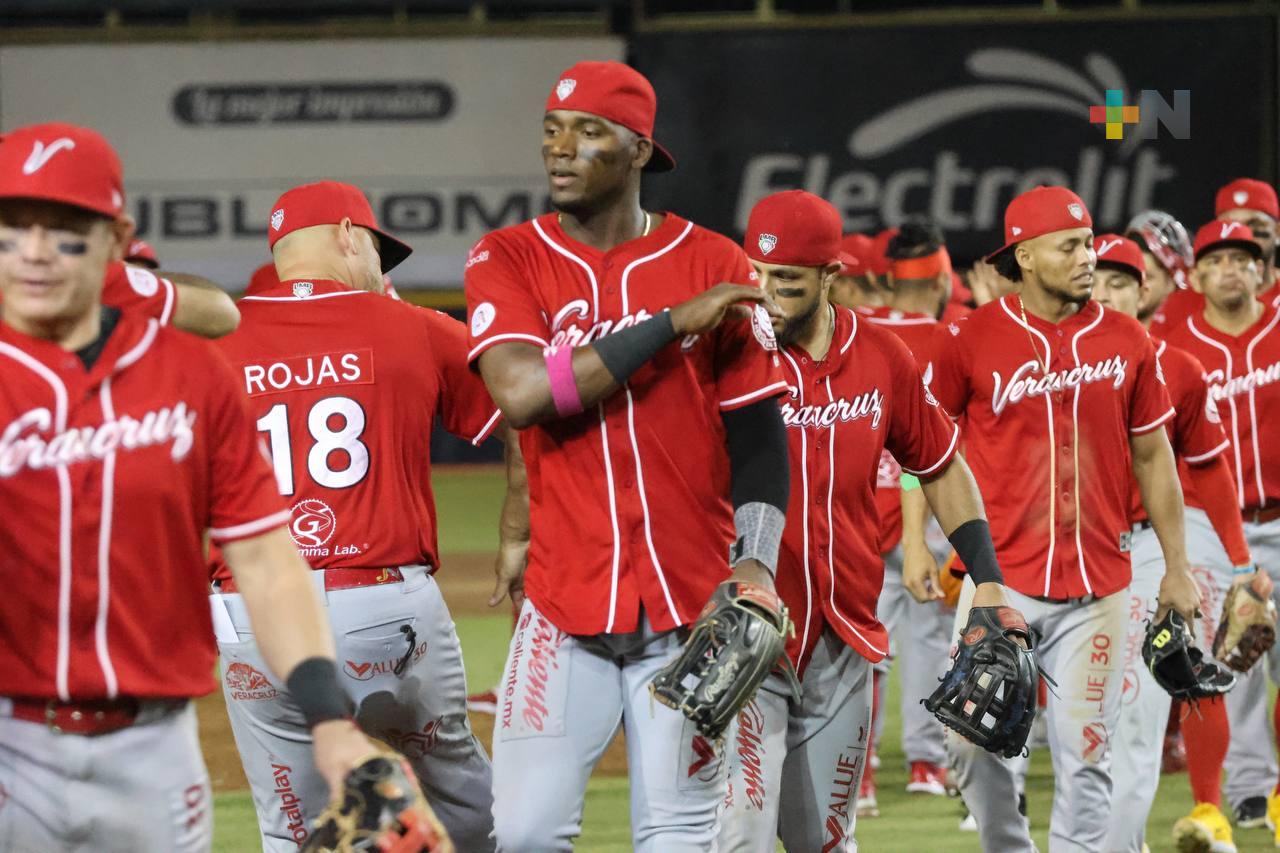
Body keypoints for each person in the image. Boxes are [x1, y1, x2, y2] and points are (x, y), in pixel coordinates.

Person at [0, 122, 376, 852]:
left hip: (154, 750)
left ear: (116, 237)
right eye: (13, 227)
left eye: (66, 229)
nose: (36, 251)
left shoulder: (193, 376)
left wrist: (329, 717)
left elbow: (266, 560)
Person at [465, 60, 790, 851]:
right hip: (562, 604)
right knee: (522, 834)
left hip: (687, 609)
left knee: (677, 837)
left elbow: (758, 435)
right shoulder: (507, 258)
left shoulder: (714, 262)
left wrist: (757, 562)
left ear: (640, 149)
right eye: (551, 129)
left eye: (587, 131)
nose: (560, 148)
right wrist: (671, 323)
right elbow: (521, 398)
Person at [715, 189, 1024, 852]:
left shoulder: (881, 356)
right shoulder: (722, 355)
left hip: (841, 637)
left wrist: (988, 580)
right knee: (736, 837)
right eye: (757, 276)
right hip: (744, 640)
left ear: (833, 277)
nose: (767, 295)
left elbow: (940, 464)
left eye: (788, 282)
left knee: (825, 838)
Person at [210, 180, 511, 852]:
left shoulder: (212, 344)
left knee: (295, 830)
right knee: (458, 786)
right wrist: (520, 529)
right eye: (381, 252)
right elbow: (525, 413)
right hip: (388, 612)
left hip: (253, 621)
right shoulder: (414, 327)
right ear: (350, 236)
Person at [930, 185, 1200, 852]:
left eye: (1087, 242)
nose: (1087, 257)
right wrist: (918, 543)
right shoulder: (971, 338)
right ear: (1024, 255)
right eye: (1070, 245)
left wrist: (1176, 566)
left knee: (1087, 758)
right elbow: (926, 452)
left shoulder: (1126, 336)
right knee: (968, 743)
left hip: (1098, 586)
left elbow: (1154, 456)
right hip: (999, 582)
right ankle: (1009, 844)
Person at [1088, 234, 1258, 853]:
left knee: (1142, 709)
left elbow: (1210, 469)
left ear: (1147, 291)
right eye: (1094, 279)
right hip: (1062, 559)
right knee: (1069, 723)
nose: (1103, 292)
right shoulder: (1047, 364)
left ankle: (1134, 838)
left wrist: (1236, 561)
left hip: (1146, 552)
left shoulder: (1177, 368)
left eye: (1119, 282)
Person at [1164, 218, 1280, 841]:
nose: (1231, 268)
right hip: (1210, 525)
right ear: (1197, 274)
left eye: (1243, 257)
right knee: (1224, 659)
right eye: (1217, 259)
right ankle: (1238, 797)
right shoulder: (1180, 352)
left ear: (1262, 269)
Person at [858, 220, 957, 811]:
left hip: (860, 509)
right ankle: (925, 764)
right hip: (931, 512)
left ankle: (860, 774)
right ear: (943, 277)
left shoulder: (855, 334)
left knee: (863, 645)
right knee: (929, 639)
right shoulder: (951, 339)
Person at [1214, 178, 1279, 305]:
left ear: (1278, 232)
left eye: (1254, 224)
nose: (1243, 235)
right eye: (1231, 226)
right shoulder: (1189, 299)